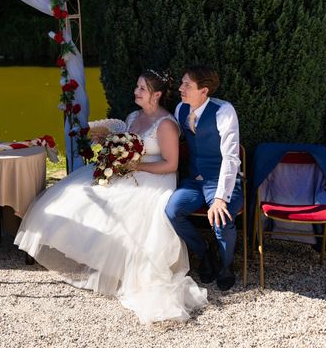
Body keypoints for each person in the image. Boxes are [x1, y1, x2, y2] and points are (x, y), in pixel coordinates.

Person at [14, 70, 207, 324]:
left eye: (142, 89)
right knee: (78, 192)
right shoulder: (133, 116)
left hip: (154, 178)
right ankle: (93, 258)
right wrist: (112, 153)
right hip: (129, 171)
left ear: (156, 95)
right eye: (136, 86)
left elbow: (171, 165)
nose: (136, 92)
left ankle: (120, 267)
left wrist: (136, 167)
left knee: (124, 207)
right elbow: (125, 145)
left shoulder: (166, 124)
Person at [165, 66, 242, 291]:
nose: (181, 88)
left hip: (221, 180)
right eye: (182, 83)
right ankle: (204, 252)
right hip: (194, 180)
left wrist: (221, 197)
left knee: (222, 217)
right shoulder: (180, 109)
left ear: (204, 91)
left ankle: (227, 265)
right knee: (172, 212)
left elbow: (231, 156)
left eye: (187, 85)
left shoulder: (223, 111)